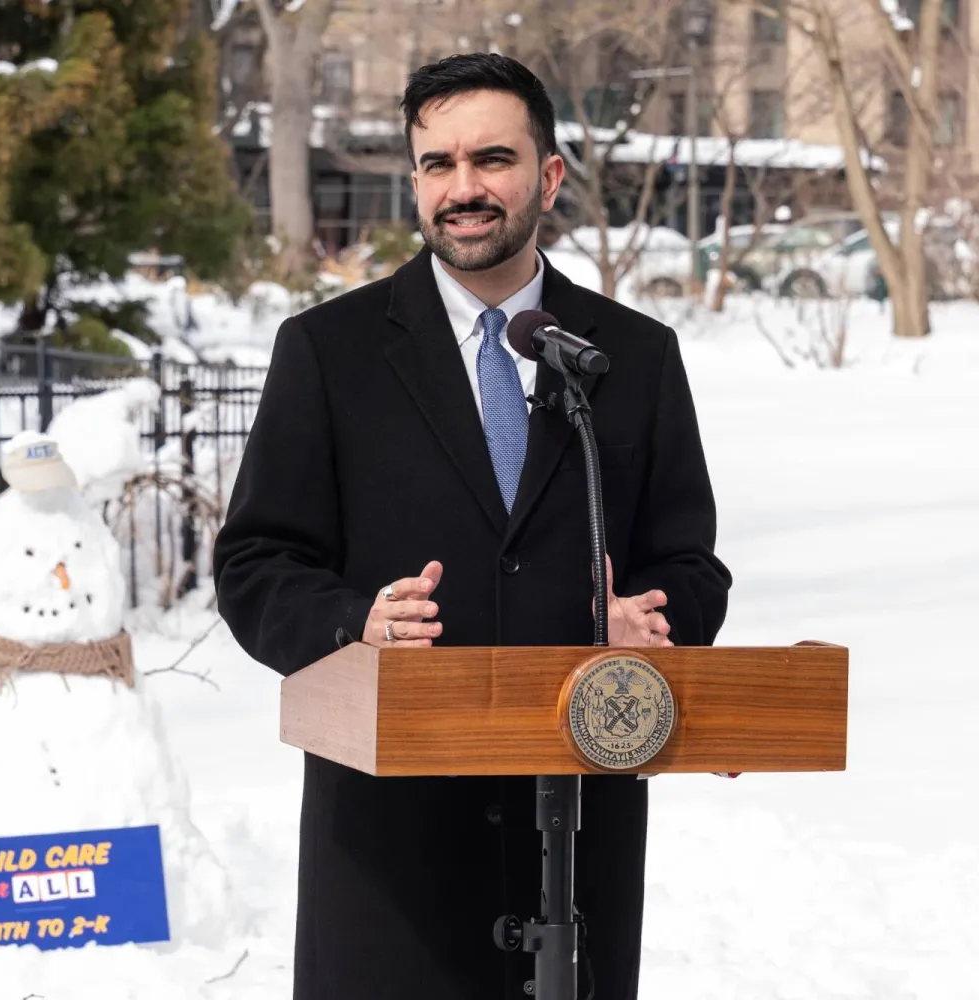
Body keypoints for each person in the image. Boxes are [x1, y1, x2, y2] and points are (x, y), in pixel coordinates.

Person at [213, 53, 732, 1000]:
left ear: (548, 175)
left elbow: (691, 563)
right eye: (437, 164)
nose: (464, 189)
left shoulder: (636, 357)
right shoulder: (328, 353)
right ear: (414, 179)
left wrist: (653, 630)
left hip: (579, 840)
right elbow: (255, 564)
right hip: (388, 852)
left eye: (492, 159)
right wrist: (354, 626)